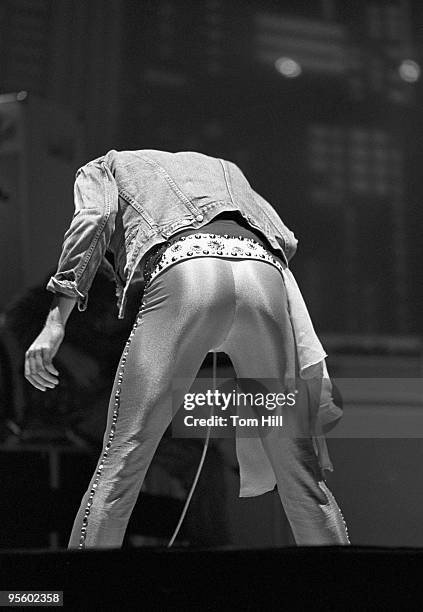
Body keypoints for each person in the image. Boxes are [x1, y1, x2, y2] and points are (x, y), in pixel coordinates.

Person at [24, 149, 350, 548]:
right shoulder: (226, 169)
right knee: (302, 477)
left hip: (187, 273)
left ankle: (77, 599)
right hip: (265, 283)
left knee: (121, 466)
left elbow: (91, 222)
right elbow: (284, 241)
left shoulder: (103, 167)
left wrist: (55, 323)